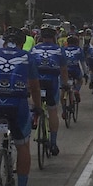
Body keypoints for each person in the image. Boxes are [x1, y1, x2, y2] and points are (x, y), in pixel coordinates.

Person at [0, 28, 41, 186]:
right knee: (23, 145)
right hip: (17, 103)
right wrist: (37, 107)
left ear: (4, 42)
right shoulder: (27, 56)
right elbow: (35, 86)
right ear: (22, 43)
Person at [31, 26, 69, 155]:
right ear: (54, 37)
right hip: (51, 82)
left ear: (41, 37)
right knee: (53, 110)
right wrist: (65, 84)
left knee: (33, 99)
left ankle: (34, 117)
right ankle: (53, 143)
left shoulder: (34, 49)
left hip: (37, 81)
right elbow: (63, 70)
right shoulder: (59, 50)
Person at [63, 34, 87, 108]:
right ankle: (76, 90)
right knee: (80, 80)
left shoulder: (63, 49)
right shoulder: (79, 49)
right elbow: (83, 63)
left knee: (64, 87)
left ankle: (64, 107)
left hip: (66, 71)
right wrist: (85, 73)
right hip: (75, 70)